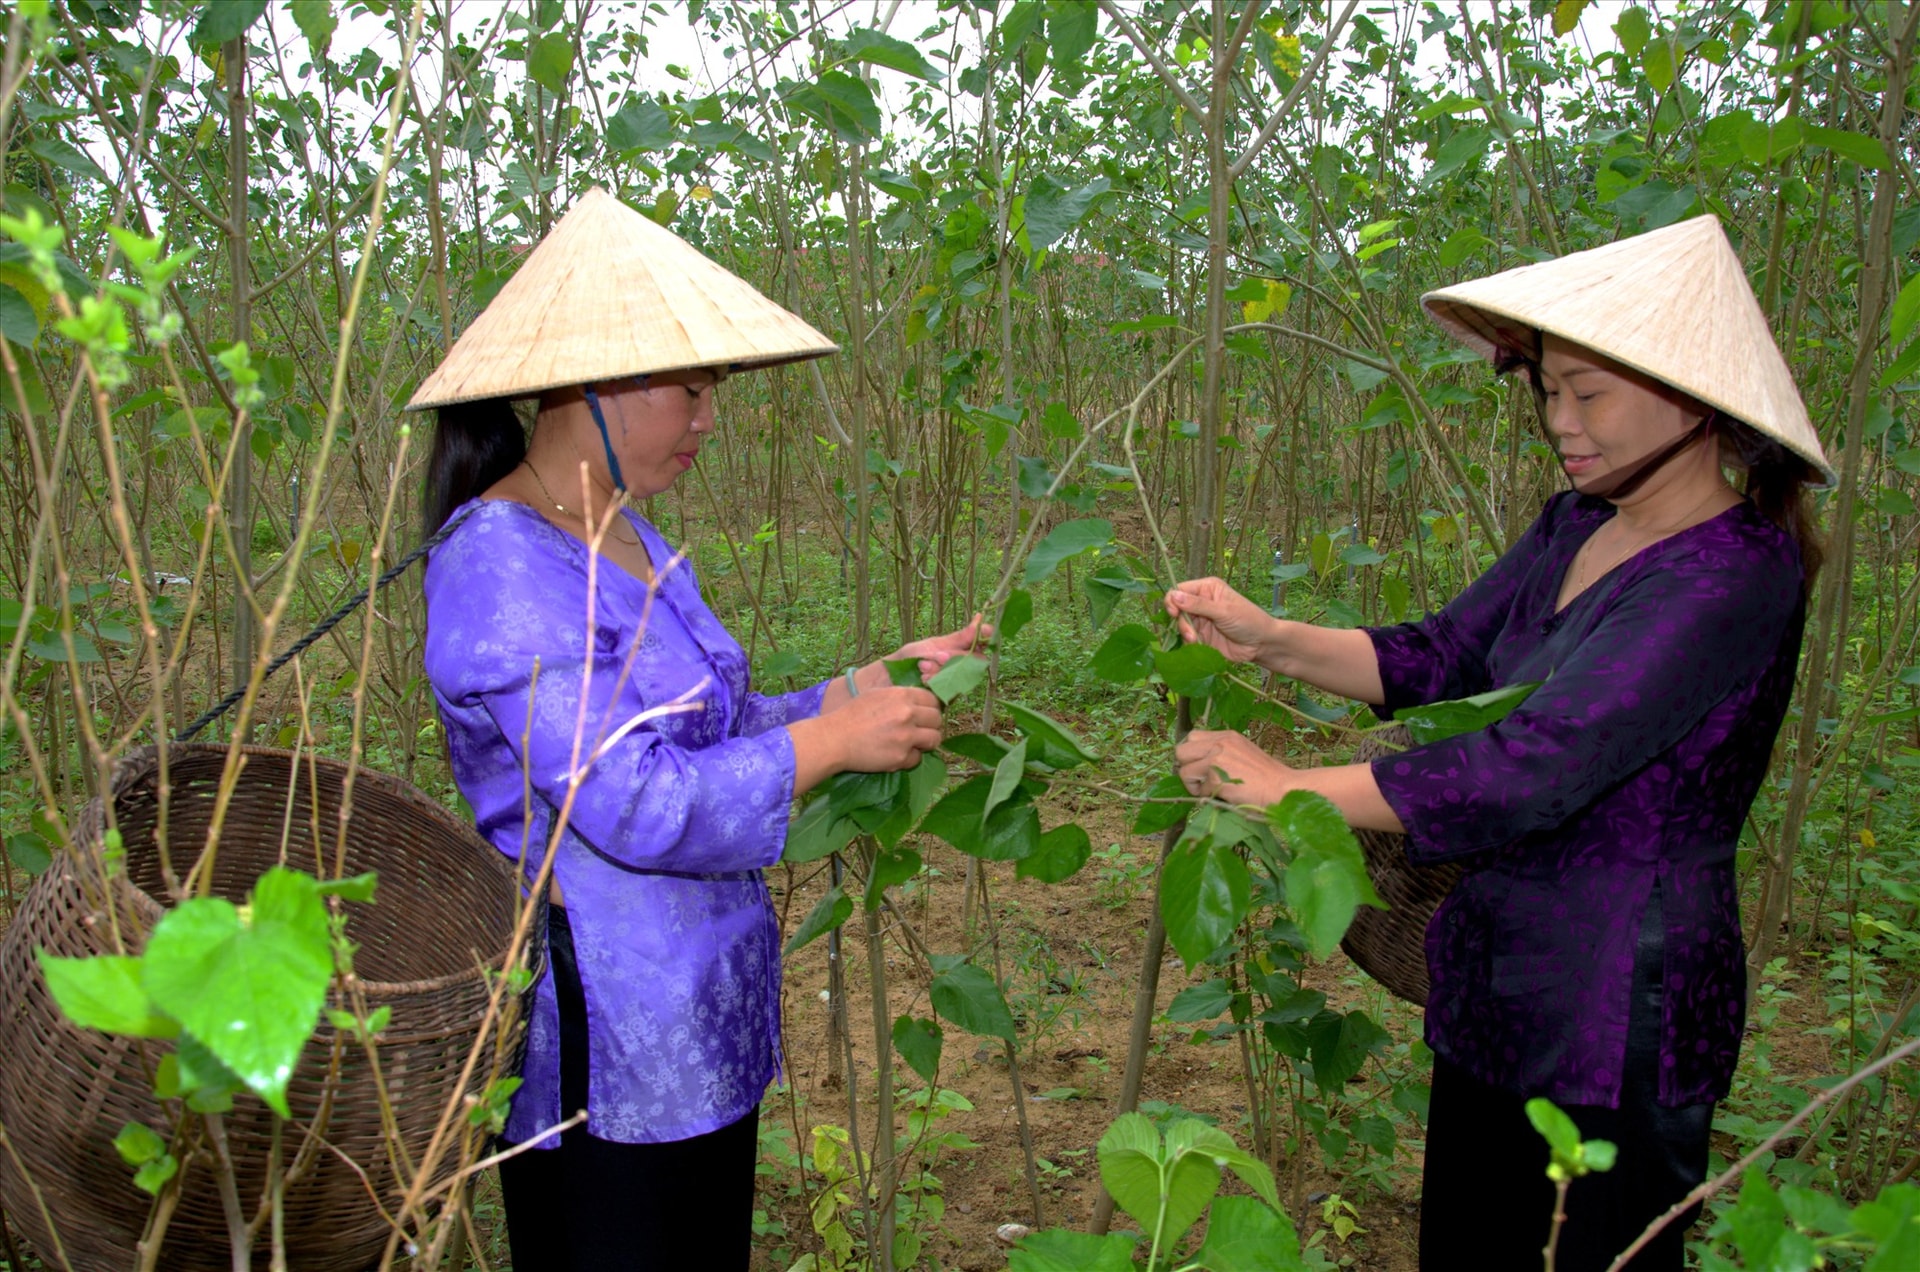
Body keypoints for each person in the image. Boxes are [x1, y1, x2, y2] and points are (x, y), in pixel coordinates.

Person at [1163, 215, 1830, 1271]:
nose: (1561, 421)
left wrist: (1289, 787)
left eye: (1590, 393)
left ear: (1694, 401)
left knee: (1582, 1247)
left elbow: (1535, 766)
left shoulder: (1730, 575)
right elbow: (1439, 659)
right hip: (1496, 966)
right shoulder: (1579, 523)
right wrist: (1271, 638)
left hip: (1615, 999)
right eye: (1547, 389)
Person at [413, 189, 983, 1270]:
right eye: (692, 388)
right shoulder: (500, 563)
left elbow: (717, 730)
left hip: (703, 1023)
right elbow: (635, 801)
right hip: (605, 1048)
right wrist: (833, 745)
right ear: (595, 383)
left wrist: (861, 688)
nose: (708, 419)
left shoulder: (627, 535)